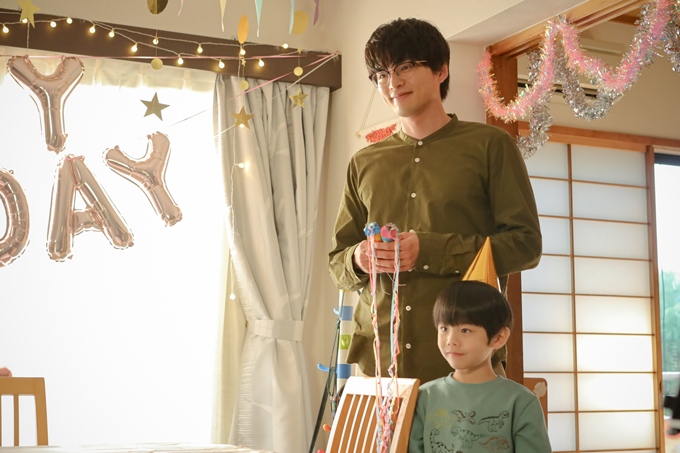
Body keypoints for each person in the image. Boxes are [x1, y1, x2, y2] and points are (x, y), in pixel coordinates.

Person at [328, 18, 541, 383]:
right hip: (378, 371)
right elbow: (337, 264)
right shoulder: (363, 162)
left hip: (465, 368)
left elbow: (525, 246)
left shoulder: (490, 146)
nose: (392, 82)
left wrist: (428, 250)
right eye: (381, 74)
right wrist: (360, 258)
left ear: (441, 70)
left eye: (406, 67)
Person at [408, 281, 551, 453]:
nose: (451, 340)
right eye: (444, 328)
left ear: (498, 338)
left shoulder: (521, 401)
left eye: (465, 330)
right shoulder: (424, 397)